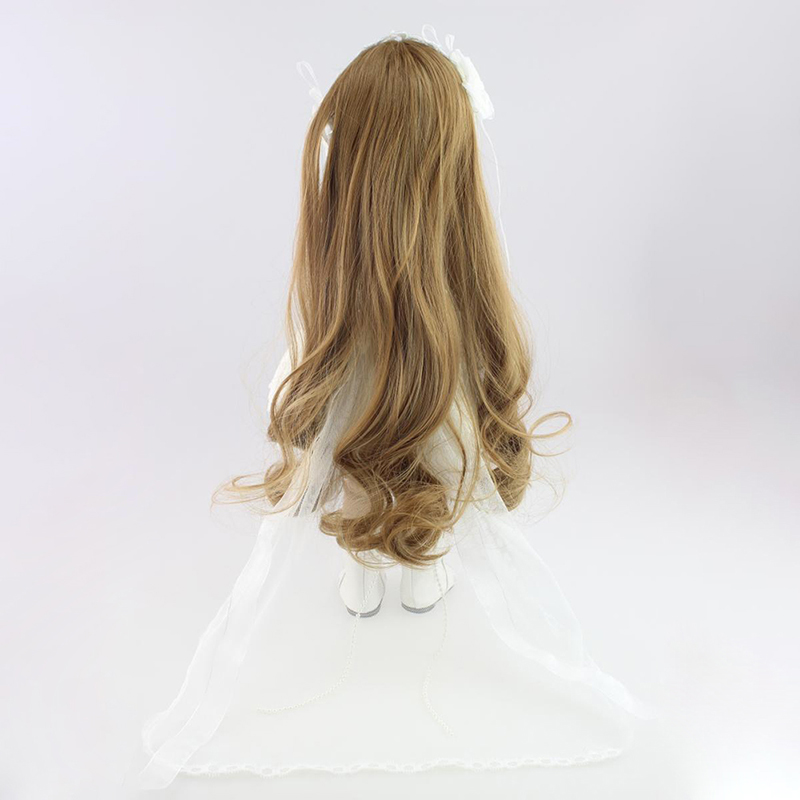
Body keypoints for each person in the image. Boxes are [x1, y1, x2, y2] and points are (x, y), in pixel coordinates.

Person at [132, 26, 648, 792]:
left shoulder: (332, 314)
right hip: (430, 384)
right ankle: (413, 560)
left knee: (353, 445)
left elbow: (305, 384)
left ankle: (367, 569)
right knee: (434, 448)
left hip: (349, 376)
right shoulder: (456, 304)